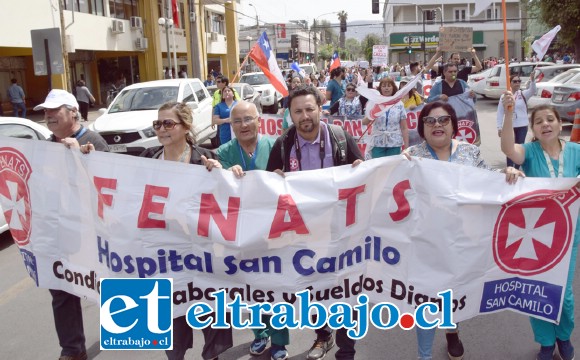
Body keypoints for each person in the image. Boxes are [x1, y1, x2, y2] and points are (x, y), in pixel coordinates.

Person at [405, 101, 523, 360]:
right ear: (422, 128)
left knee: (455, 292)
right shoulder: (411, 156)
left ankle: (452, 330)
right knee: (425, 300)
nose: (437, 125)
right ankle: (423, 355)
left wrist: (508, 172)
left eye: (443, 120)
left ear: (454, 125)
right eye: (430, 121)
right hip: (426, 243)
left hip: (464, 242)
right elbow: (384, 183)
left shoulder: (470, 152)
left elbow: (490, 182)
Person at [266, 84, 363, 360]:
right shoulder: (283, 144)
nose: (305, 115)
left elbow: (366, 174)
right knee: (312, 289)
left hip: (340, 230)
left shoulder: (340, 137)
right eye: (298, 111)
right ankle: (322, 336)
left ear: (321, 109)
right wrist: (274, 178)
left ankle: (346, 348)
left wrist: (360, 169)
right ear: (290, 115)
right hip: (302, 235)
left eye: (310, 109)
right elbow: (266, 185)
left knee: (345, 289)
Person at [140, 102, 229, 360]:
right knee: (171, 322)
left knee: (209, 314)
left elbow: (229, 199)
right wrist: (85, 154)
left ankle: (212, 354)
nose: (162, 129)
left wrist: (224, 174)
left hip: (201, 253)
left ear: (186, 126)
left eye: (168, 123)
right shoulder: (148, 159)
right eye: (158, 124)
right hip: (163, 256)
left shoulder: (205, 158)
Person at [32, 89, 109, 360]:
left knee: (109, 285)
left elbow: (108, 187)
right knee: (62, 290)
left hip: (92, 233)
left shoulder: (92, 141)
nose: (49, 116)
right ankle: (72, 349)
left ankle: (137, 330)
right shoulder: (44, 144)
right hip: (58, 233)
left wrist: (81, 158)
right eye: (46, 111)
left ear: (73, 112)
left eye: (55, 110)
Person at [500, 102, 579, 360]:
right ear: (532, 128)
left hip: (568, 235)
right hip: (534, 235)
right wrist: (510, 114)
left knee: (563, 296)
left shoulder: (577, 151)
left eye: (550, 119)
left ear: (559, 124)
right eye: (538, 121)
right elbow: (508, 149)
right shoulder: (531, 152)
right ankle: (546, 343)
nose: (545, 124)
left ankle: (563, 336)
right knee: (537, 292)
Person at [216, 101, 288, 360]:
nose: (244, 125)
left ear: (259, 120)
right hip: (240, 234)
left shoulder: (277, 145)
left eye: (249, 119)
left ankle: (279, 341)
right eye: (237, 121)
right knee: (250, 288)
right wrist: (224, 173)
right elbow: (214, 185)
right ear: (231, 125)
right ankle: (260, 334)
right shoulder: (224, 152)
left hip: (274, 230)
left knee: (276, 288)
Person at [496, 73, 536, 168]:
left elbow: (533, 90)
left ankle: (517, 168)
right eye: (515, 81)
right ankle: (510, 167)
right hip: (509, 126)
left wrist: (533, 80)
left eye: (519, 81)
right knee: (510, 147)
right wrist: (499, 127)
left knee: (519, 147)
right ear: (510, 83)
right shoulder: (504, 96)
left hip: (522, 125)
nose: (517, 83)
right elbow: (500, 112)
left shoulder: (523, 94)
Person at [362, 77, 409, 158]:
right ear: (380, 88)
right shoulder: (374, 102)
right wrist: (373, 113)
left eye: (389, 86)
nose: (386, 88)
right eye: (384, 86)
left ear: (393, 88)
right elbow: (364, 122)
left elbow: (404, 127)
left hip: (395, 142)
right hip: (377, 142)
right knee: (378, 167)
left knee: (392, 168)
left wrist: (406, 148)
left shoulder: (399, 104)